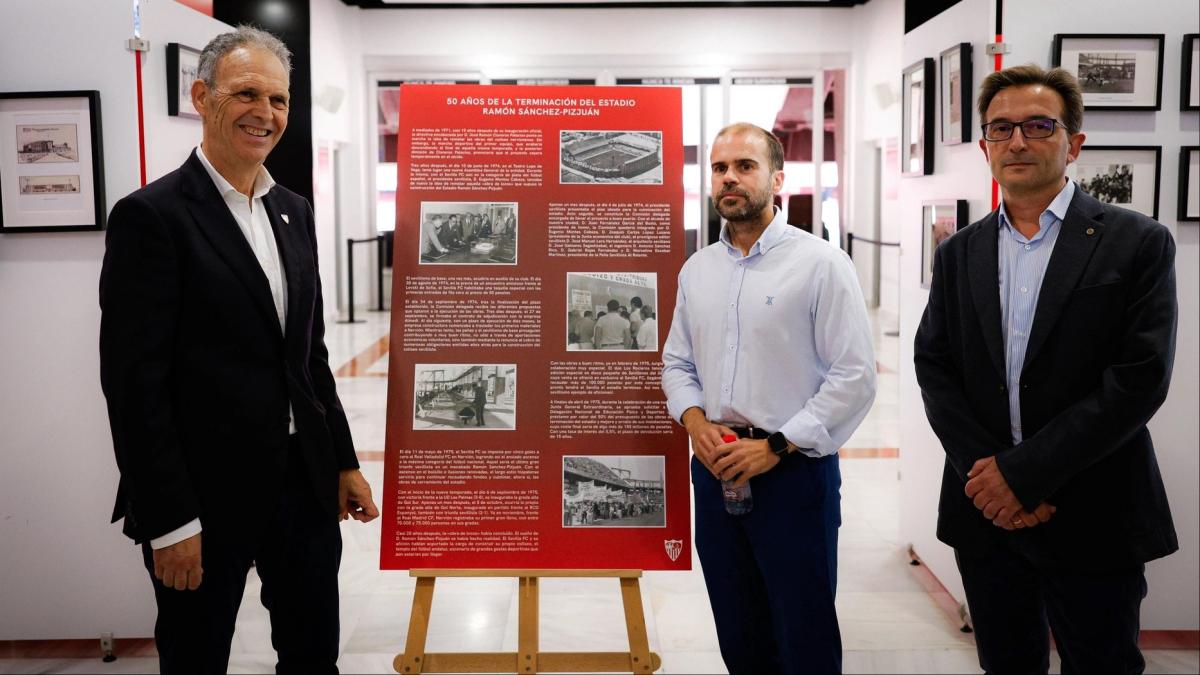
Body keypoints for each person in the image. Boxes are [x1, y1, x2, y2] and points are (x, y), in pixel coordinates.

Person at [98, 26, 378, 674]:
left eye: (279, 100)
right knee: (197, 661)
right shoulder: (153, 217)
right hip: (202, 494)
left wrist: (340, 459)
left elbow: (308, 355)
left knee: (313, 657)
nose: (267, 113)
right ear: (201, 96)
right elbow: (134, 386)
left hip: (300, 489)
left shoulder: (293, 211)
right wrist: (168, 521)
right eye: (246, 93)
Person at [913, 64, 1178, 675]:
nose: (1017, 142)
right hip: (985, 513)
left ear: (1073, 142)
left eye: (1038, 126)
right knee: (1006, 664)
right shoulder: (959, 251)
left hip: (1090, 506)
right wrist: (991, 479)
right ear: (984, 147)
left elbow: (1139, 378)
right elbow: (935, 367)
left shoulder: (1137, 243)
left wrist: (1023, 476)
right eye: (1000, 129)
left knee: (1102, 662)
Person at [661, 123, 876, 674]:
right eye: (719, 168)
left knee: (803, 635)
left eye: (745, 166)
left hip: (793, 476)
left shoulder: (821, 264)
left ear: (778, 178)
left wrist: (777, 445)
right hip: (714, 473)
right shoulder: (697, 270)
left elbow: (854, 377)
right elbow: (677, 363)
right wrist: (695, 424)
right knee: (739, 632)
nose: (729, 177)